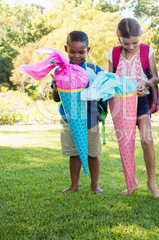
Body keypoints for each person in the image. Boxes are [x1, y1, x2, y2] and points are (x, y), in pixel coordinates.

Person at [107, 18, 159, 199]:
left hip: (142, 102)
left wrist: (145, 83)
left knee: (147, 141)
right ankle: (132, 182)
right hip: (121, 104)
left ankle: (151, 182)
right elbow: (110, 79)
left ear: (141, 37)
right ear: (119, 37)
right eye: (126, 43)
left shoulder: (147, 51)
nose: (131, 47)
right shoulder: (113, 54)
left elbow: (155, 78)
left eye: (135, 42)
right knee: (126, 144)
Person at [51, 30, 105, 194]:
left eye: (81, 52)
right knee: (74, 154)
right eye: (72, 51)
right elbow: (55, 98)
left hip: (91, 119)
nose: (76, 56)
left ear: (88, 50)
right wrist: (55, 86)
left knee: (93, 153)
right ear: (66, 49)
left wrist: (94, 88)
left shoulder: (94, 70)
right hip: (69, 119)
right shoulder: (60, 71)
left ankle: (94, 185)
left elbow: (104, 94)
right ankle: (74, 185)